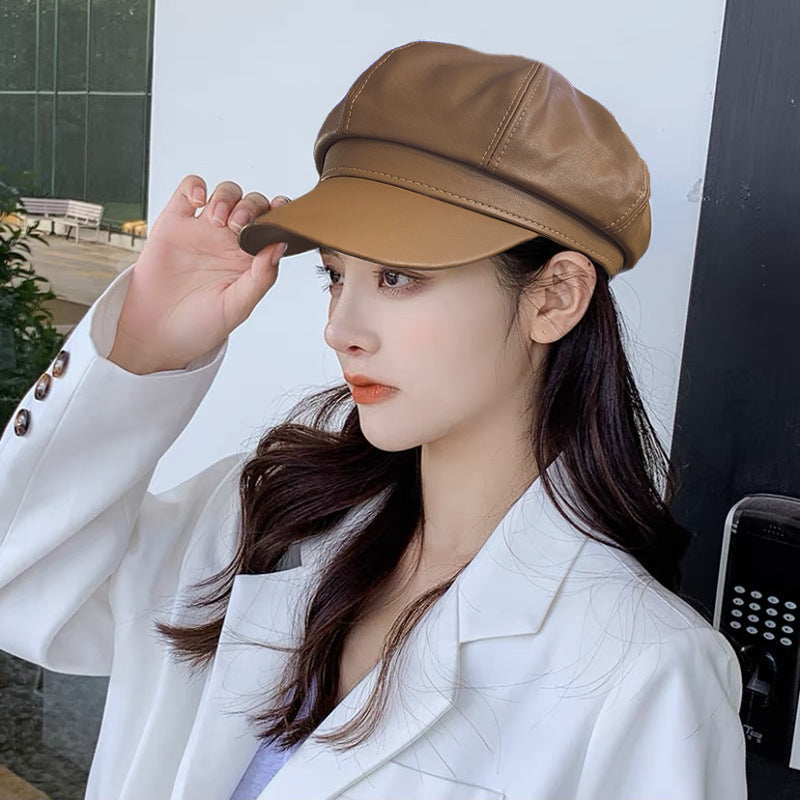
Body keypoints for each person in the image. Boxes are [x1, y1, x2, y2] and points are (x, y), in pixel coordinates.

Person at [0, 40, 747, 800]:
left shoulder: (648, 675)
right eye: (334, 275)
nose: (340, 329)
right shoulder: (262, 520)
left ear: (554, 297)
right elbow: (21, 586)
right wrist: (141, 349)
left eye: (397, 276)